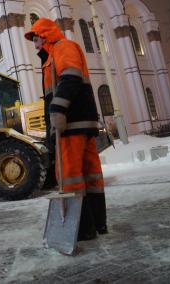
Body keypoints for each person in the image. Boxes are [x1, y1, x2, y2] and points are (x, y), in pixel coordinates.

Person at [25, 18, 108, 241]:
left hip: (71, 123)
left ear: (45, 35)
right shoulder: (53, 56)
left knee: (70, 176)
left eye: (36, 38)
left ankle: (82, 229)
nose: (35, 44)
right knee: (90, 175)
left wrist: (57, 110)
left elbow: (71, 77)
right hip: (81, 122)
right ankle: (98, 224)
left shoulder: (63, 47)